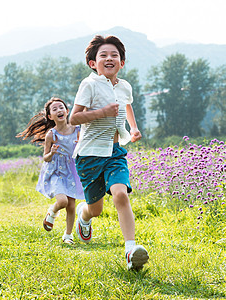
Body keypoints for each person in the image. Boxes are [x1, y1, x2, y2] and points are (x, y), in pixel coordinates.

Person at [69, 35, 149, 270]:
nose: (109, 58)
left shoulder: (124, 86)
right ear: (93, 63)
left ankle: (130, 251)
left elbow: (127, 104)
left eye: (114, 55)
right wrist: (102, 112)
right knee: (96, 209)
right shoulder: (89, 84)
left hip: (115, 152)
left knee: (121, 195)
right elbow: (74, 118)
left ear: (122, 63)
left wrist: (133, 128)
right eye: (103, 55)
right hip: (89, 155)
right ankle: (84, 216)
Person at [17, 97, 84, 244]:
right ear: (50, 116)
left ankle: (68, 235)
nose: (59, 110)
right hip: (56, 171)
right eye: (54, 109)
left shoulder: (77, 130)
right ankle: (52, 211)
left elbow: (82, 147)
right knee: (62, 201)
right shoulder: (51, 135)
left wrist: (80, 145)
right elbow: (45, 158)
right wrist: (52, 152)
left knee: (71, 205)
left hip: (72, 170)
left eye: (61, 107)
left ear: (67, 111)